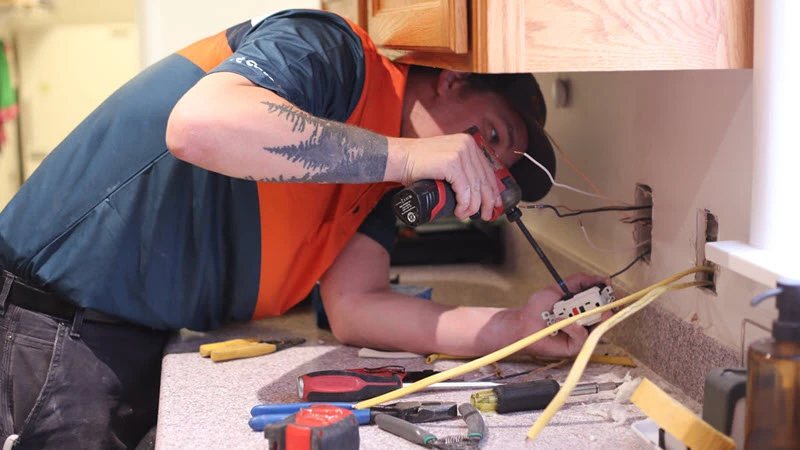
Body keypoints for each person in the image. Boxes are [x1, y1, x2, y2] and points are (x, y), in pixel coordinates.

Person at [0, 8, 609, 450]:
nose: (480, 171)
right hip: (48, 328)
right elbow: (200, 125)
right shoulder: (331, 53)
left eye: (495, 171)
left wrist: (514, 328)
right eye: (492, 137)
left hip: (122, 336)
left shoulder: (380, 177)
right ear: (452, 79)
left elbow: (357, 308)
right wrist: (410, 158)